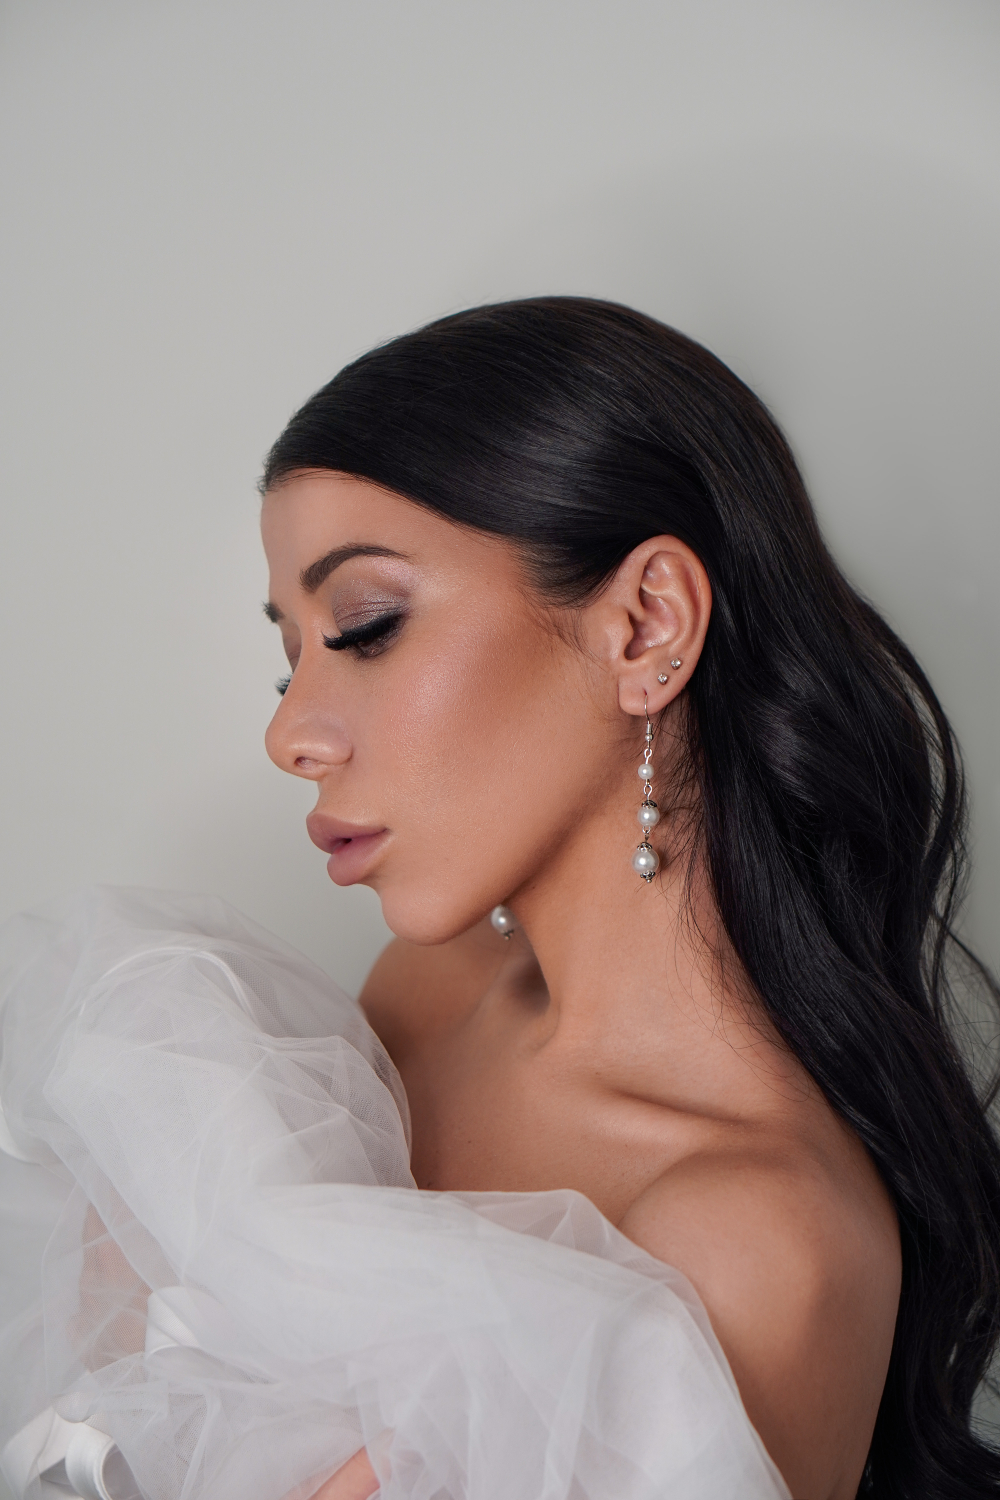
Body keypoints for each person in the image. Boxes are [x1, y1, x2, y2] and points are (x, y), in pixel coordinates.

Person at [1, 297, 997, 1500]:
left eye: (364, 627)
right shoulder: (429, 993)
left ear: (646, 627)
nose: (290, 734)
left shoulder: (756, 1243)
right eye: (290, 657)